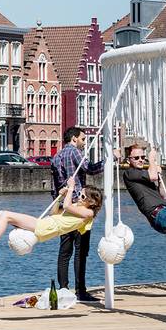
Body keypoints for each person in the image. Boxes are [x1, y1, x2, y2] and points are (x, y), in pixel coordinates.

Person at [0, 176, 103, 262]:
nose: (78, 197)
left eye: (82, 196)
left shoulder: (88, 213)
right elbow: (54, 212)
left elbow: (67, 206)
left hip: (47, 228)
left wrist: (71, 187)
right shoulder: (77, 207)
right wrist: (60, 197)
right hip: (46, 223)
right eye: (79, 194)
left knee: (6, 216)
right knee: (1, 214)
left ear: (92, 202)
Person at [51, 126, 108, 301]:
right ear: (74, 139)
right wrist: (108, 160)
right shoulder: (74, 152)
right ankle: (80, 291)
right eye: (83, 139)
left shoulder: (56, 156)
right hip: (79, 205)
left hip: (64, 207)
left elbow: (55, 188)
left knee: (64, 251)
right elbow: (89, 168)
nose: (84, 143)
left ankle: (63, 289)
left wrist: (60, 205)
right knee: (81, 251)